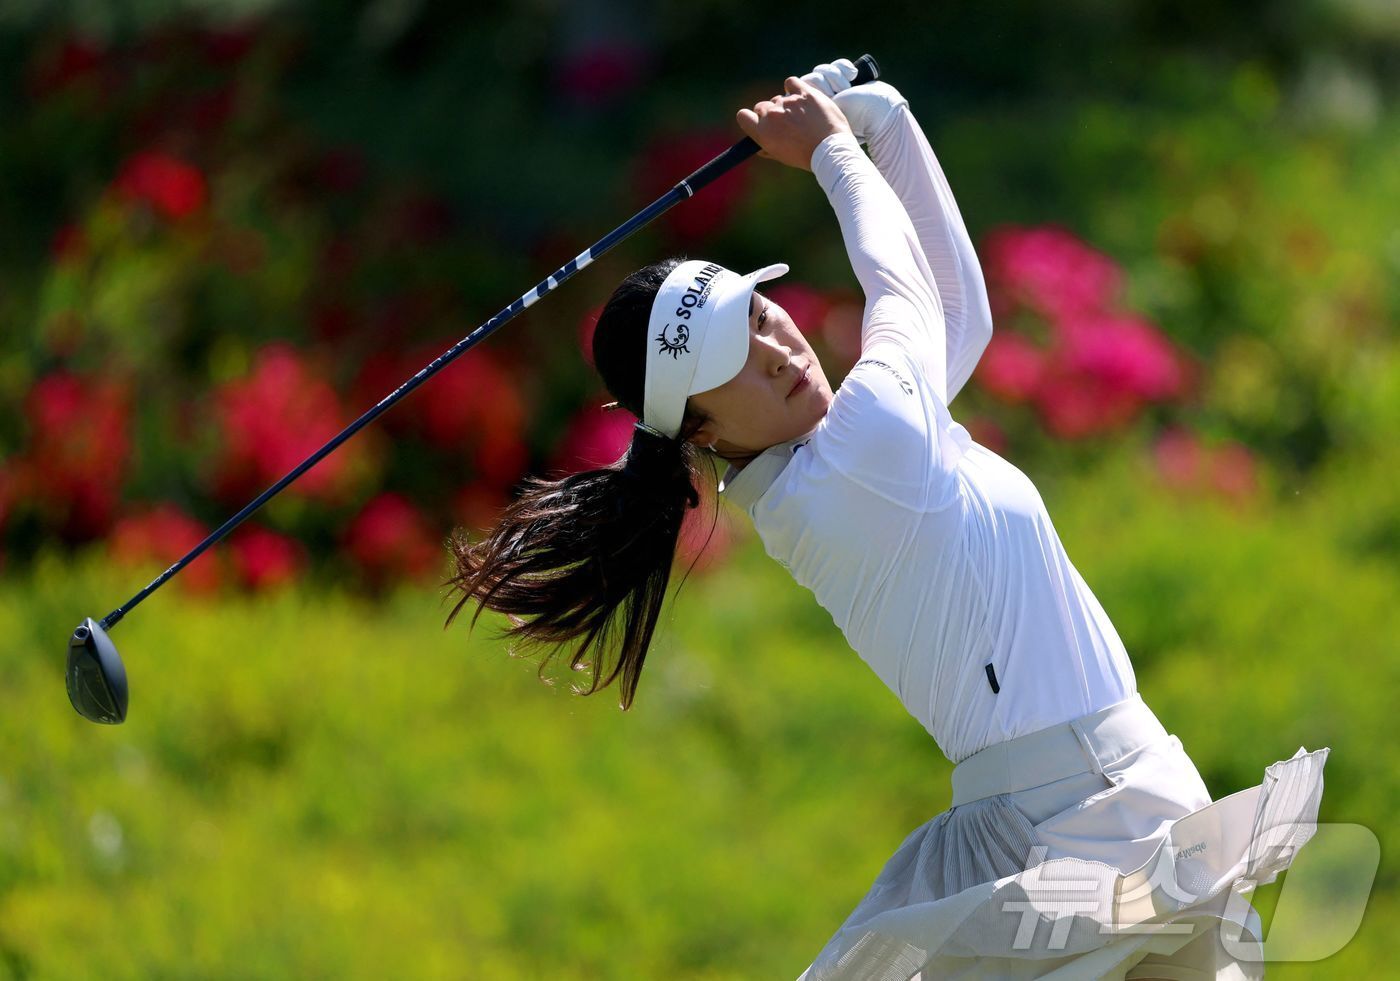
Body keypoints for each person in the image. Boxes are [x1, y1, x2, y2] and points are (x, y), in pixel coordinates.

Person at [445, 61, 1328, 979]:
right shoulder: (862, 457)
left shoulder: (860, 453)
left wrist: (887, 125)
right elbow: (902, 292)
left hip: (1101, 803)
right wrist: (832, 151)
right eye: (732, 360)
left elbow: (957, 312)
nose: (776, 349)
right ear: (700, 429)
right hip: (1083, 820)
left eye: (760, 313)